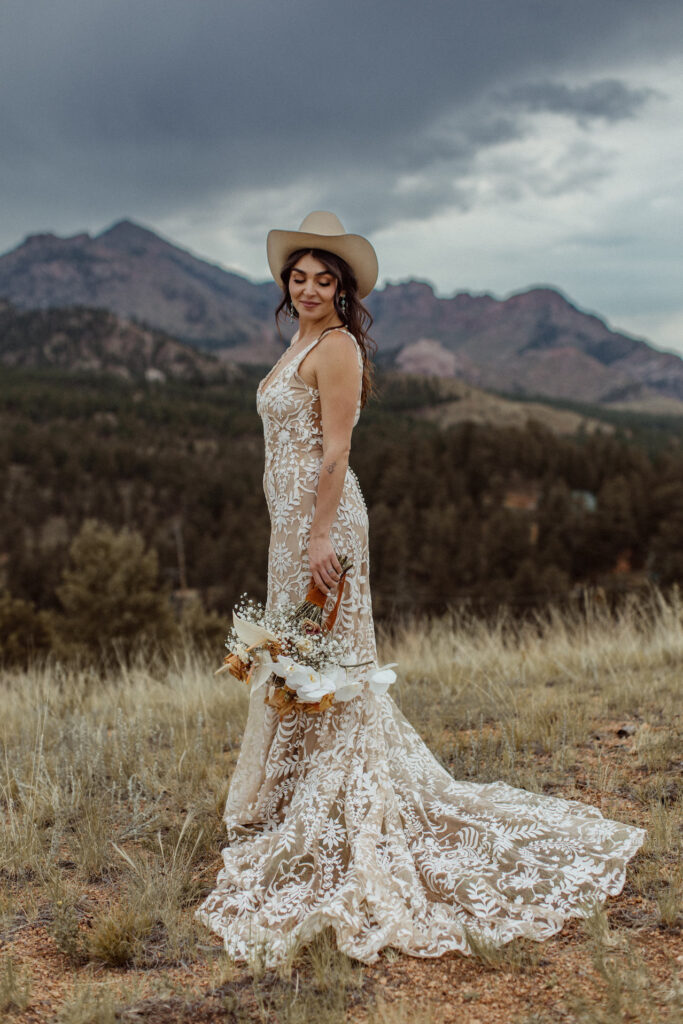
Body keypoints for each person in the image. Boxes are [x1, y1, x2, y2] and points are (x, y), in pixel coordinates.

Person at [196, 211, 645, 966]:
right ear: (287, 285)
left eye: (323, 279)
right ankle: (293, 802)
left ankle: (339, 809)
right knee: (298, 665)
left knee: (329, 670)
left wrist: (316, 536)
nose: (309, 289)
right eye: (297, 278)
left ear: (343, 288)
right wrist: (288, 528)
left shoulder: (335, 348)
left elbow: (335, 451)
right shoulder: (297, 341)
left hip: (324, 525)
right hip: (291, 527)